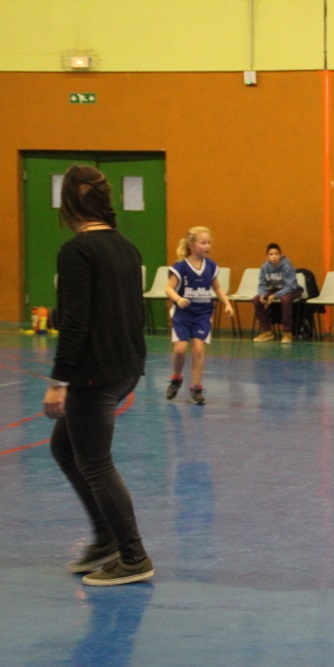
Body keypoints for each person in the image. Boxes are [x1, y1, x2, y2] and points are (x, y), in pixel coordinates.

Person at [43, 165, 154, 585]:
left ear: (69, 202)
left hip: (94, 373)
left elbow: (75, 323)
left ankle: (133, 556)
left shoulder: (77, 251)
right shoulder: (126, 246)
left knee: (95, 462)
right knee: (64, 448)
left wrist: (59, 381)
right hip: (125, 368)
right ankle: (106, 538)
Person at [164, 227, 234, 404]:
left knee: (198, 349)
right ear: (191, 245)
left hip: (202, 314)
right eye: (203, 243)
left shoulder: (211, 266)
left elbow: (217, 288)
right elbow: (168, 288)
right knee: (180, 350)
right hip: (183, 314)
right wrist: (178, 299)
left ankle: (196, 387)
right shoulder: (180, 267)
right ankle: (177, 377)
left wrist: (227, 303)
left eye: (209, 242)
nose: (207, 246)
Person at [252, 243, 302, 344]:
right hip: (275, 289)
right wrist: (262, 294)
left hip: (292, 290)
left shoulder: (287, 266)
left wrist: (276, 295)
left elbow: (290, 286)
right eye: (271, 254)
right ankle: (267, 331)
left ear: (280, 255)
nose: (274, 256)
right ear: (267, 256)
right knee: (256, 299)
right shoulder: (265, 267)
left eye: (276, 254)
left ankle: (287, 332)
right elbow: (262, 284)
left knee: (285, 300)